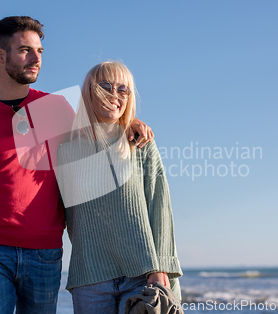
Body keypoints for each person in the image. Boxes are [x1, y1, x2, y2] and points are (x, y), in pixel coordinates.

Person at [0, 16, 154, 314]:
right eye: (25, 50)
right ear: (1, 56)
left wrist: (131, 123)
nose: (36, 58)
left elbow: (104, 123)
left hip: (45, 254)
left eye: (39, 50)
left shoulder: (56, 109)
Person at [56, 61, 183, 314]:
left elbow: (160, 208)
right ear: (88, 92)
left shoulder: (140, 142)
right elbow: (66, 217)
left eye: (123, 90)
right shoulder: (66, 151)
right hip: (89, 278)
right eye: (105, 87)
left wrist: (161, 267)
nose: (114, 95)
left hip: (142, 275)